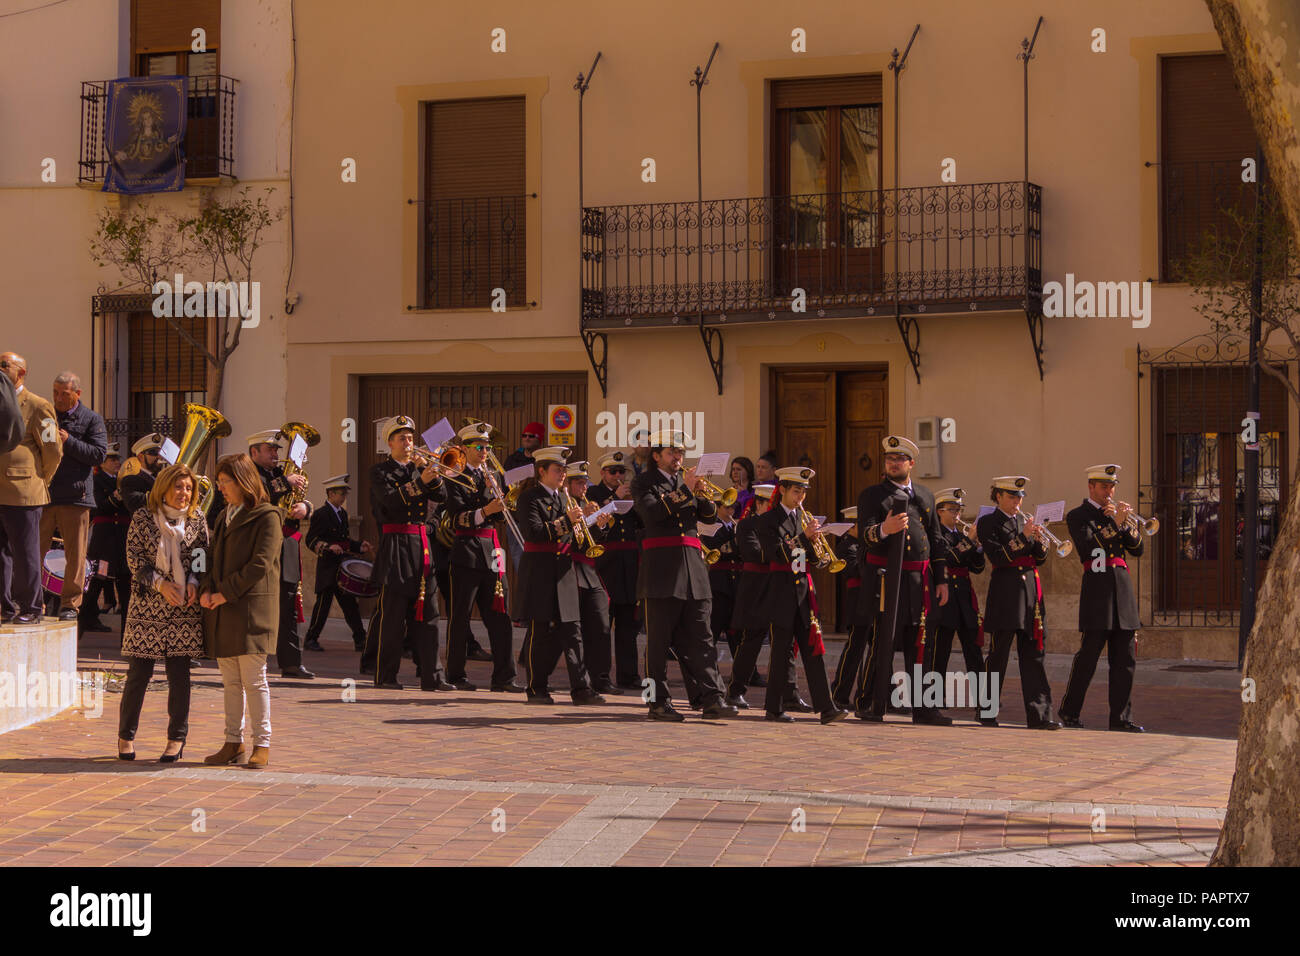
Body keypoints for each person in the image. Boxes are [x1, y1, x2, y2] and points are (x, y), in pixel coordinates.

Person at [632, 429, 738, 721]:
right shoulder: (643, 482)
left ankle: (712, 697)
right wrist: (686, 491)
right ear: (656, 456)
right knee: (657, 643)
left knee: (702, 638)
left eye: (680, 453)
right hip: (661, 572)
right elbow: (651, 513)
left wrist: (702, 493)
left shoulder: (686, 482)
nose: (678, 458)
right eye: (671, 453)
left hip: (693, 569)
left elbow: (707, 517)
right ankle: (655, 701)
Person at [852, 436, 950, 725]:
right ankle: (871, 702)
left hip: (919, 580)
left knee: (921, 643)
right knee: (883, 640)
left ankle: (924, 707)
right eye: (889, 459)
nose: (893, 464)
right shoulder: (872, 495)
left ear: (911, 464)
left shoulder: (926, 496)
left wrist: (942, 579)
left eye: (899, 459)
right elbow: (865, 535)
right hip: (886, 580)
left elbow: (936, 539)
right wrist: (885, 528)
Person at [115, 463, 208, 762]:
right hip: (147, 606)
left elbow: (201, 557)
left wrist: (194, 582)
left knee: (179, 675)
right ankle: (125, 736)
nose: (184, 493)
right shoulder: (143, 518)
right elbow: (134, 560)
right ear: (164, 488)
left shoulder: (197, 519)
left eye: (189, 488)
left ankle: (176, 739)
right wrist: (160, 585)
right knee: (138, 674)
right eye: (179, 487)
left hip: (183, 608)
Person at [748, 466, 849, 725]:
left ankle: (826, 707)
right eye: (796, 491)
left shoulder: (801, 518)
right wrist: (804, 538)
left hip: (803, 590)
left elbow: (810, 557)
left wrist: (817, 543)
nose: (800, 497)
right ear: (781, 490)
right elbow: (777, 553)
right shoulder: (767, 520)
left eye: (803, 492)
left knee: (813, 650)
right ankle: (773, 708)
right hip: (781, 590)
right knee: (782, 652)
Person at [201, 454, 282, 769]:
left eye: (226, 482)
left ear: (244, 480)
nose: (220, 488)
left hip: (250, 610)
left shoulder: (268, 515)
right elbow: (209, 556)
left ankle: (262, 743)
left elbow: (260, 564)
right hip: (223, 608)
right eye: (219, 482)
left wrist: (225, 593)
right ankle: (232, 742)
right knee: (231, 682)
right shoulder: (223, 516)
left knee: (254, 679)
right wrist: (208, 587)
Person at [1060, 464, 1146, 733]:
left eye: (1112, 486)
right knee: (1088, 657)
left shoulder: (1116, 515)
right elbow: (1088, 548)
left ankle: (1120, 718)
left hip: (1122, 590)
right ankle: (1070, 711)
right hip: (1097, 591)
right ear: (1091, 487)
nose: (1110, 492)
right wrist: (1114, 523)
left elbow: (1137, 548)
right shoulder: (1078, 515)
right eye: (1104, 486)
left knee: (1125, 660)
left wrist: (1128, 526)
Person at [516, 447, 605, 705]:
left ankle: (581, 689)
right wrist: (567, 520)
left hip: (564, 572)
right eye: (558, 470)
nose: (563, 475)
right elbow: (533, 532)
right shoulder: (529, 498)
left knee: (572, 631)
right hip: (540, 571)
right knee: (540, 631)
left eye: (564, 470)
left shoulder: (566, 500)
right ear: (541, 471)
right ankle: (536, 687)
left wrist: (595, 526)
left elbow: (579, 543)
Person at [368, 417, 448, 690]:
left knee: (430, 614)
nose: (408, 443)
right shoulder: (380, 472)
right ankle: (386, 675)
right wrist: (420, 481)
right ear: (389, 443)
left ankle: (433, 676)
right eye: (402, 438)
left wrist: (428, 473)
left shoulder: (420, 469)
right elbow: (389, 502)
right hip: (396, 546)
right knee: (393, 616)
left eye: (411, 438)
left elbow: (443, 497)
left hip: (422, 545)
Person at [975, 475, 1060, 730]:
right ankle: (987, 711)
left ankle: (1040, 715)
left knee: (1035, 655)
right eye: (1012, 497)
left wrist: (1041, 541)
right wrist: (1023, 537)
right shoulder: (987, 522)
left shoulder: (1024, 521)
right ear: (998, 496)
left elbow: (1039, 559)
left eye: (1020, 497)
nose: (1017, 502)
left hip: (1031, 592)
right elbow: (999, 557)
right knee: (998, 655)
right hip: (1005, 593)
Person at [443, 420, 520, 692]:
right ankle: (455, 675)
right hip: (466, 550)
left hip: (493, 549)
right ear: (464, 449)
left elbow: (500, 515)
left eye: (487, 446)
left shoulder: (494, 476)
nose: (485, 451)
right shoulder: (454, 476)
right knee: (460, 616)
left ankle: (504, 677)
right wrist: (487, 508)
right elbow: (457, 518)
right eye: (479, 446)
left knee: (501, 613)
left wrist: (502, 499)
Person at [244, 428, 314, 679]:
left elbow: (304, 500)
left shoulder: (279, 473)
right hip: (261, 546)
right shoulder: (246, 472)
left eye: (276, 449)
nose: (275, 454)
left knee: (288, 603)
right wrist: (286, 482)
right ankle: (250, 659)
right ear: (255, 452)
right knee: (257, 602)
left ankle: (291, 662)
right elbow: (256, 496)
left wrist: (304, 507)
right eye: (270, 449)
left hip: (288, 543)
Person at [39, 371, 107, 622]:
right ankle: (33, 601)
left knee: (75, 555)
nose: (57, 398)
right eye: (55, 392)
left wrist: (68, 441)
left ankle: (70, 604)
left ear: (77, 394)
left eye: (63, 394)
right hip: (45, 494)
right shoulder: (46, 415)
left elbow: (99, 455)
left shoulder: (91, 419)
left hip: (76, 497)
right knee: (33, 550)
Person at [0, 352, 62, 625]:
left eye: (4, 366)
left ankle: (31, 608)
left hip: (23, 491)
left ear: (21, 373)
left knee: (25, 553)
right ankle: (4, 606)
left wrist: (40, 480)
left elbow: (52, 450)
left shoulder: (39, 405)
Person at [564, 461, 622, 695]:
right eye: (579, 483)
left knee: (600, 624)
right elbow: (566, 536)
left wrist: (599, 525)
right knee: (567, 629)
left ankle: (601, 677)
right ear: (567, 485)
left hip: (588, 570)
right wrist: (582, 519)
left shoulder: (586, 504)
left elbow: (592, 542)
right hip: (567, 568)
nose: (584, 488)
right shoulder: (563, 505)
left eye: (585, 483)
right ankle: (542, 676)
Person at [587, 450, 643, 690]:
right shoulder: (594, 493)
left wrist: (637, 502)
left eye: (622, 472)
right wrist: (614, 500)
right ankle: (599, 677)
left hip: (629, 565)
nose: (618, 475)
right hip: (605, 563)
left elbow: (641, 523)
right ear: (603, 473)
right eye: (613, 472)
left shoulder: (631, 494)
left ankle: (628, 676)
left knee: (628, 627)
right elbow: (593, 520)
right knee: (601, 626)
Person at [726, 483, 785, 702]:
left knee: (784, 643)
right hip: (755, 589)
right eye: (769, 504)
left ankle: (788, 694)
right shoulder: (746, 525)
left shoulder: (781, 524)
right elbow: (753, 553)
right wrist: (781, 551)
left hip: (778, 586)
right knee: (751, 641)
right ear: (758, 503)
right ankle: (735, 691)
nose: (772, 509)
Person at [927, 489, 987, 704]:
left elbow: (977, 568)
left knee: (973, 648)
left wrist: (978, 548)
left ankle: (982, 697)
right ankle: (933, 696)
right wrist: (969, 542)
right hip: (944, 596)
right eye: (952, 510)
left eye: (959, 510)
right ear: (939, 512)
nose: (957, 514)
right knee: (940, 649)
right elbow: (948, 558)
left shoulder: (961, 536)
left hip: (964, 596)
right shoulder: (935, 535)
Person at [303, 473, 372, 653]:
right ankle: (311, 639)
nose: (343, 497)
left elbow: (345, 540)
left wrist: (359, 546)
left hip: (342, 569)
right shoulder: (321, 514)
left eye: (344, 494)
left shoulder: (342, 513)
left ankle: (360, 639)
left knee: (350, 606)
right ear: (331, 494)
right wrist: (327, 547)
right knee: (322, 607)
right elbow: (311, 539)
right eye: (341, 493)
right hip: (327, 568)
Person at [82, 443, 130, 632]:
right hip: (104, 538)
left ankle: (91, 617)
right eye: (112, 459)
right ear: (102, 462)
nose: (117, 462)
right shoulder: (96, 480)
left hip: (119, 537)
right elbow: (98, 506)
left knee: (122, 579)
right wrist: (115, 497)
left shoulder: (124, 480)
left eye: (118, 459)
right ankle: (86, 616)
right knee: (98, 578)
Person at [829, 505, 865, 710]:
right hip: (857, 604)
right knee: (854, 651)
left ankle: (871, 692)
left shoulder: (862, 546)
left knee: (876, 651)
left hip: (871, 601)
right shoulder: (846, 546)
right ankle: (839, 693)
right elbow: (854, 570)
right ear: (851, 527)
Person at [119, 433, 164, 513]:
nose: (159, 457)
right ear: (141, 457)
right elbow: (133, 504)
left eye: (160, 453)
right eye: (153, 453)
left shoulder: (163, 478)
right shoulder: (130, 480)